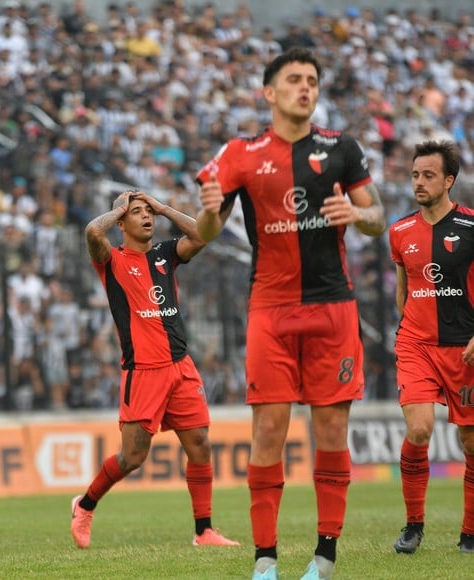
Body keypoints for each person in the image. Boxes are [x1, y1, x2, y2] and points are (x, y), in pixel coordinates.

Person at [195, 47, 387, 580]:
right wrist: (211, 213)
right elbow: (206, 232)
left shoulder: (341, 148)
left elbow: (377, 216)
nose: (305, 88)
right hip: (271, 310)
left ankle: (325, 555)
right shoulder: (239, 152)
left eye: (312, 80)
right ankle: (265, 560)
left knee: (330, 428)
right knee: (269, 429)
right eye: (294, 79)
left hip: (333, 308)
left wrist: (361, 214)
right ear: (269, 91)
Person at [70, 189, 239, 550]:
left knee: (200, 445)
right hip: (143, 372)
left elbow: (202, 235)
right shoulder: (111, 259)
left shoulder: (165, 255)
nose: (146, 216)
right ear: (121, 222)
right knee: (132, 456)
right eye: (137, 212)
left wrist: (165, 208)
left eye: (149, 211)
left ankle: (204, 530)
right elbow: (91, 233)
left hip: (181, 367)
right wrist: (115, 210)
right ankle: (85, 505)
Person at [388, 140, 474, 555]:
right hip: (416, 345)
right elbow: (404, 293)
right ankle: (413, 525)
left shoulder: (473, 227)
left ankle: (470, 533)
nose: (419, 182)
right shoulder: (400, 231)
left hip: (464, 349)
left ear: (449, 181)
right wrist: (407, 330)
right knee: (419, 430)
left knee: (471, 444)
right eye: (415, 174)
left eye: (428, 175)